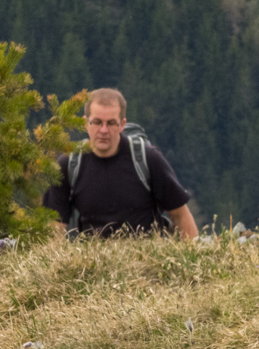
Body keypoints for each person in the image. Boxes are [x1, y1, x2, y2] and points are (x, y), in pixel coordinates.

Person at [43, 88, 199, 239]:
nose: (103, 130)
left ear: (122, 124)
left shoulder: (147, 158)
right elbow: (55, 229)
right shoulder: (69, 165)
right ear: (85, 123)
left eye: (111, 123)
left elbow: (180, 215)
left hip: (147, 257)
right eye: (97, 122)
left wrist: (193, 259)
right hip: (92, 260)